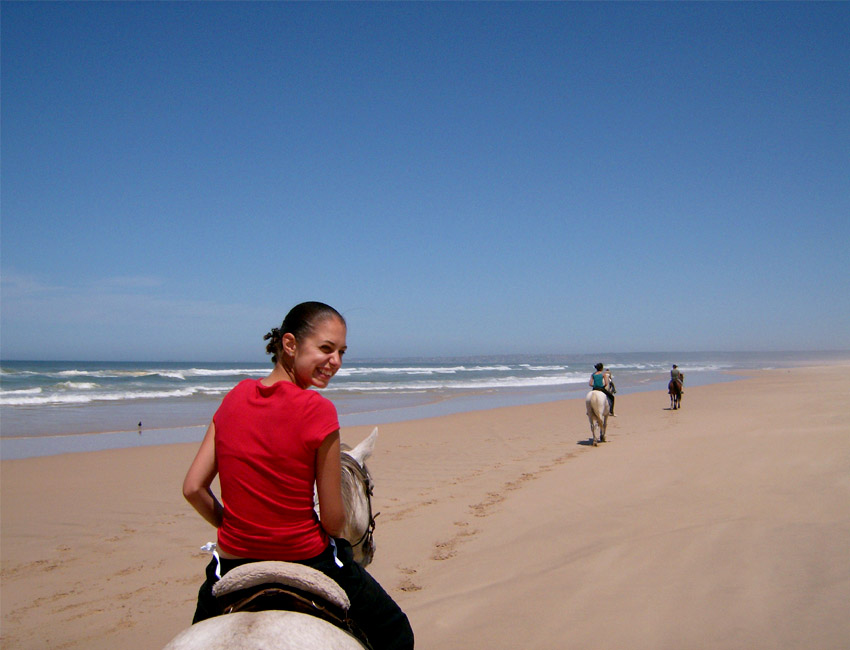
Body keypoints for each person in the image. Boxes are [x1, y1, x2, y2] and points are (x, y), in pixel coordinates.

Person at [182, 301, 414, 650]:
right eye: (325, 348)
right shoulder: (319, 411)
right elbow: (334, 522)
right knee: (395, 631)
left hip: (233, 559)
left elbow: (193, 488)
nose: (335, 361)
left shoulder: (233, 398)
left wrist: (230, 526)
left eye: (341, 352)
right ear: (289, 344)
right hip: (307, 557)